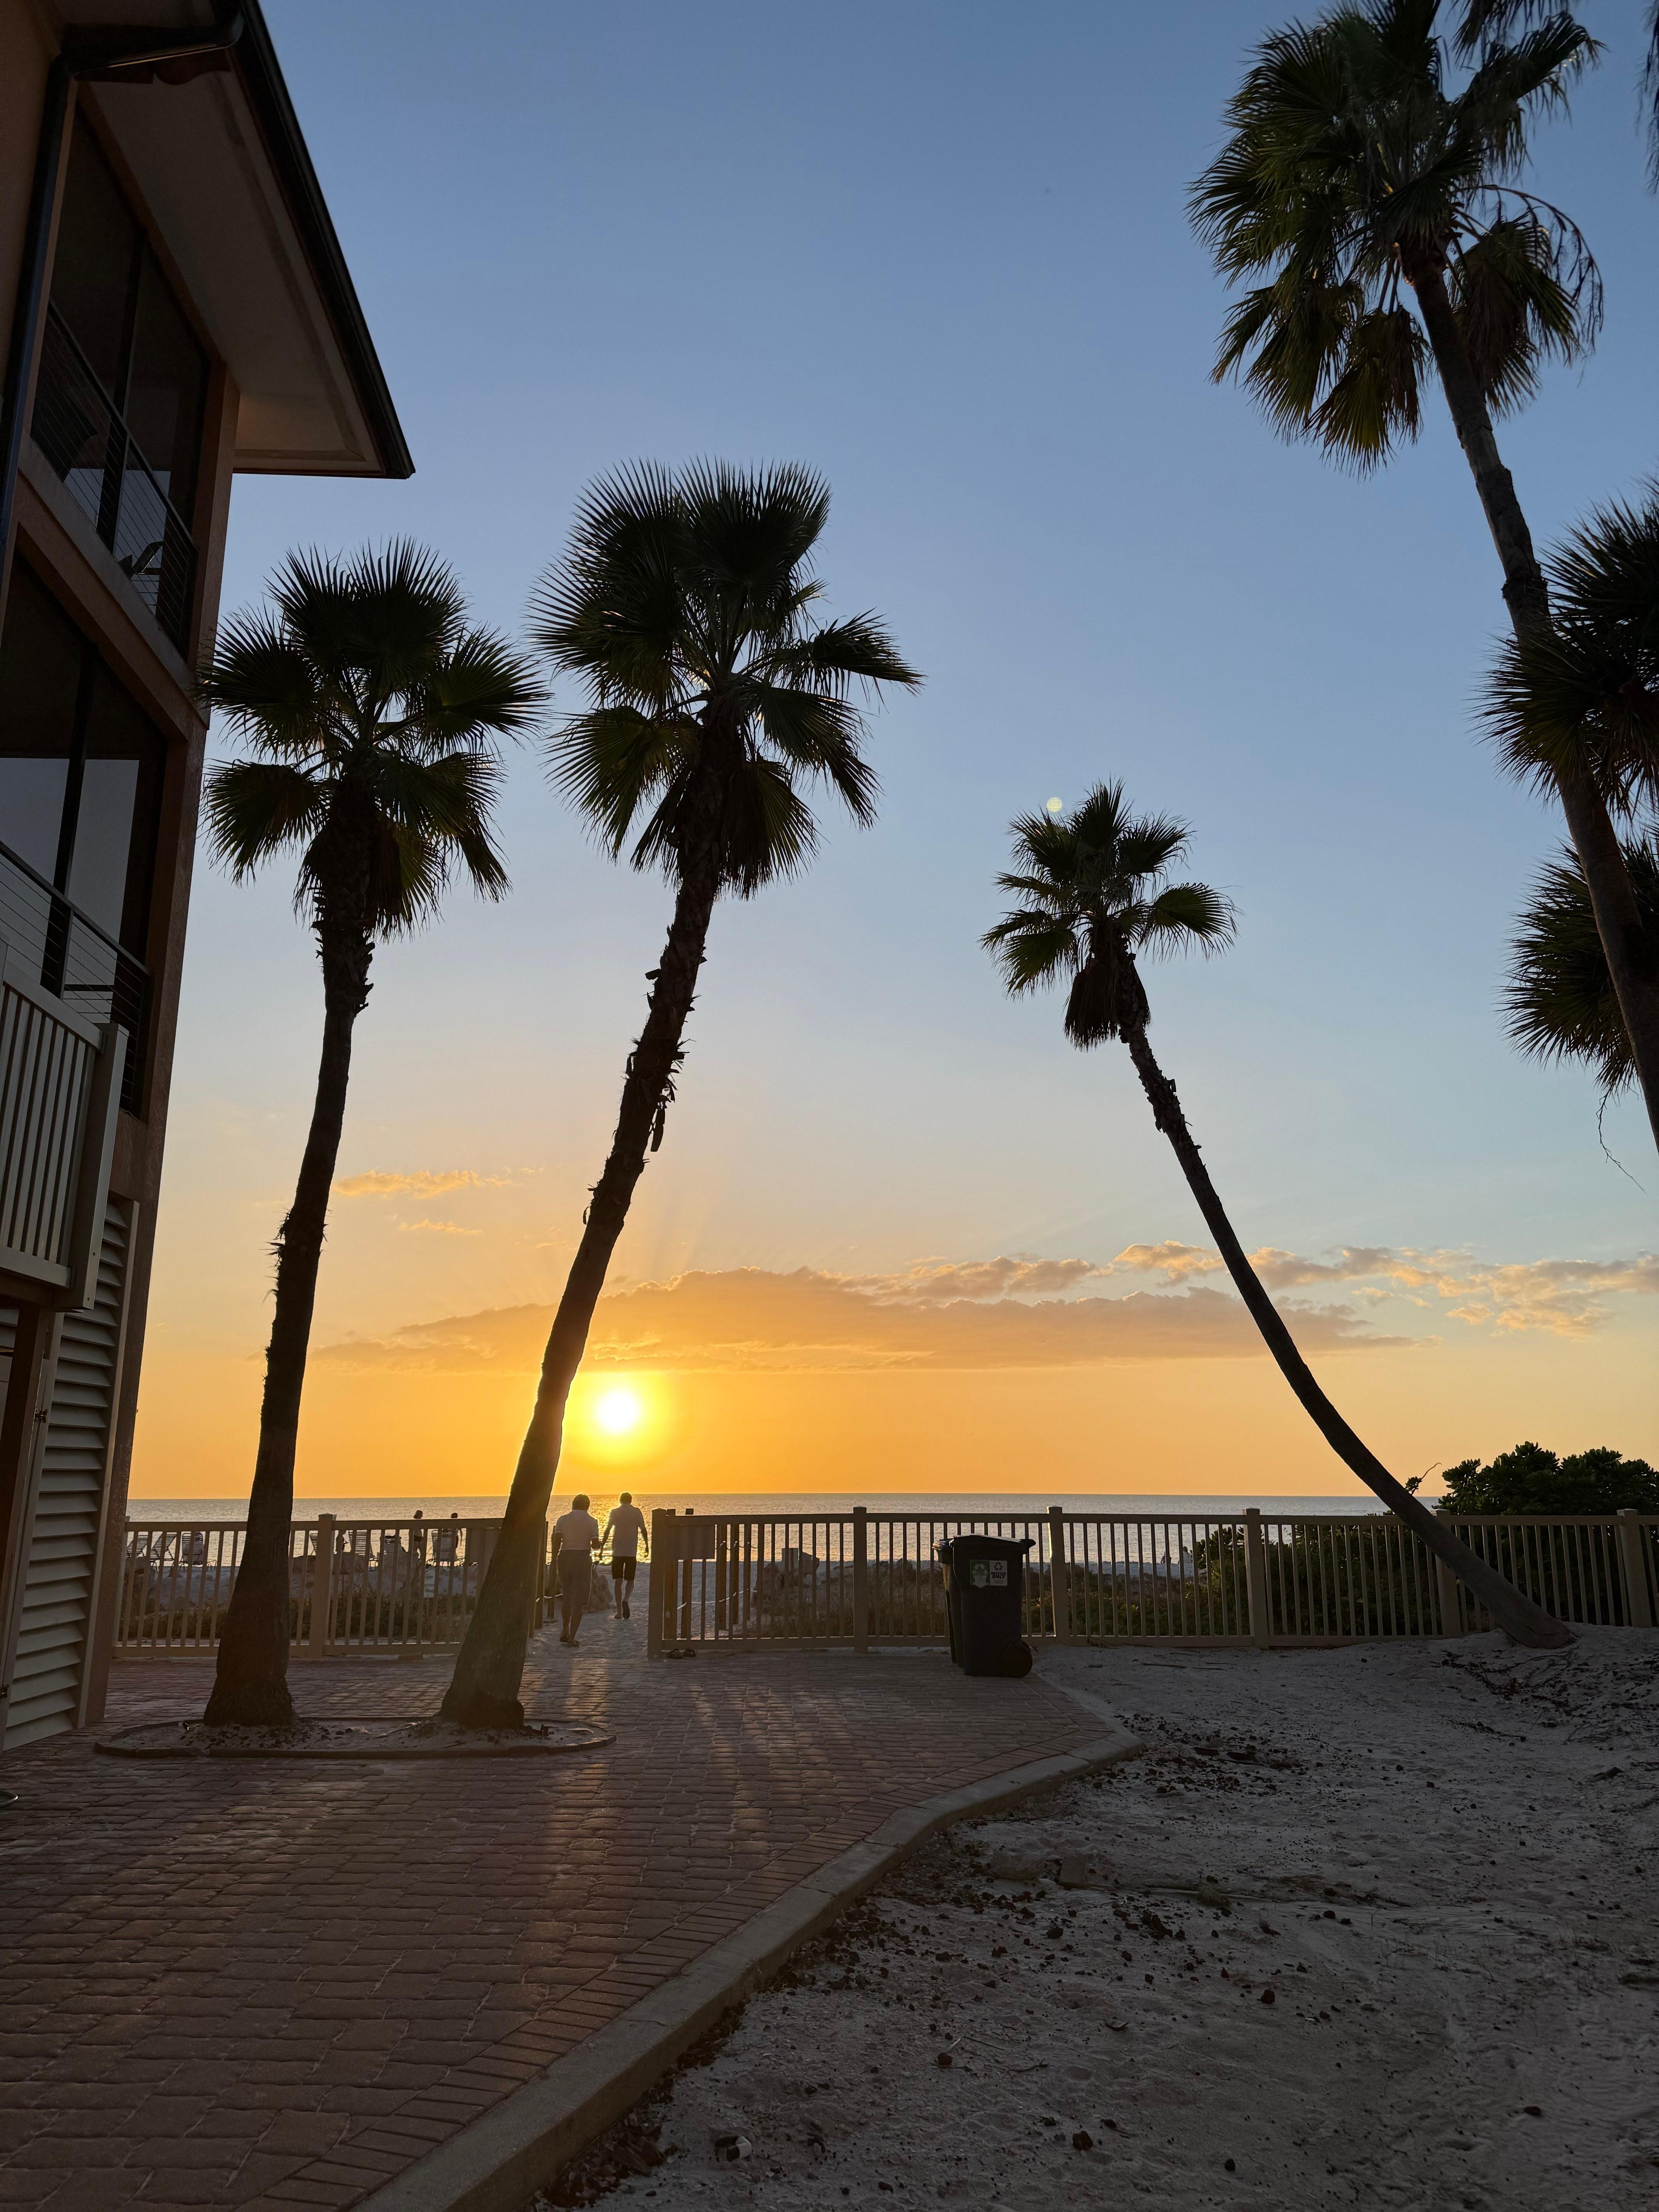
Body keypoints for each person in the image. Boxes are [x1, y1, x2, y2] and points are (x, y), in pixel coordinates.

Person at [552, 1493, 601, 1646]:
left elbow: (557, 1542)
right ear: (588, 1506)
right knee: (579, 1601)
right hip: (582, 1559)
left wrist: (553, 1561)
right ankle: (572, 1638)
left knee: (567, 1597)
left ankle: (564, 1630)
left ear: (573, 1505)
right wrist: (597, 1545)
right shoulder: (592, 1522)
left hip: (565, 1558)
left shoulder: (563, 1519)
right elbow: (595, 1545)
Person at [603, 1492, 649, 1620]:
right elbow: (643, 1529)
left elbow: (608, 1529)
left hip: (617, 1551)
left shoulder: (615, 1512)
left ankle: (619, 1612)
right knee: (630, 1579)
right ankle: (626, 1599)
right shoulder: (637, 1512)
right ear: (631, 1501)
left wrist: (602, 1547)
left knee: (618, 1581)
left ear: (620, 1501)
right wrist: (647, 1546)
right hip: (631, 1551)